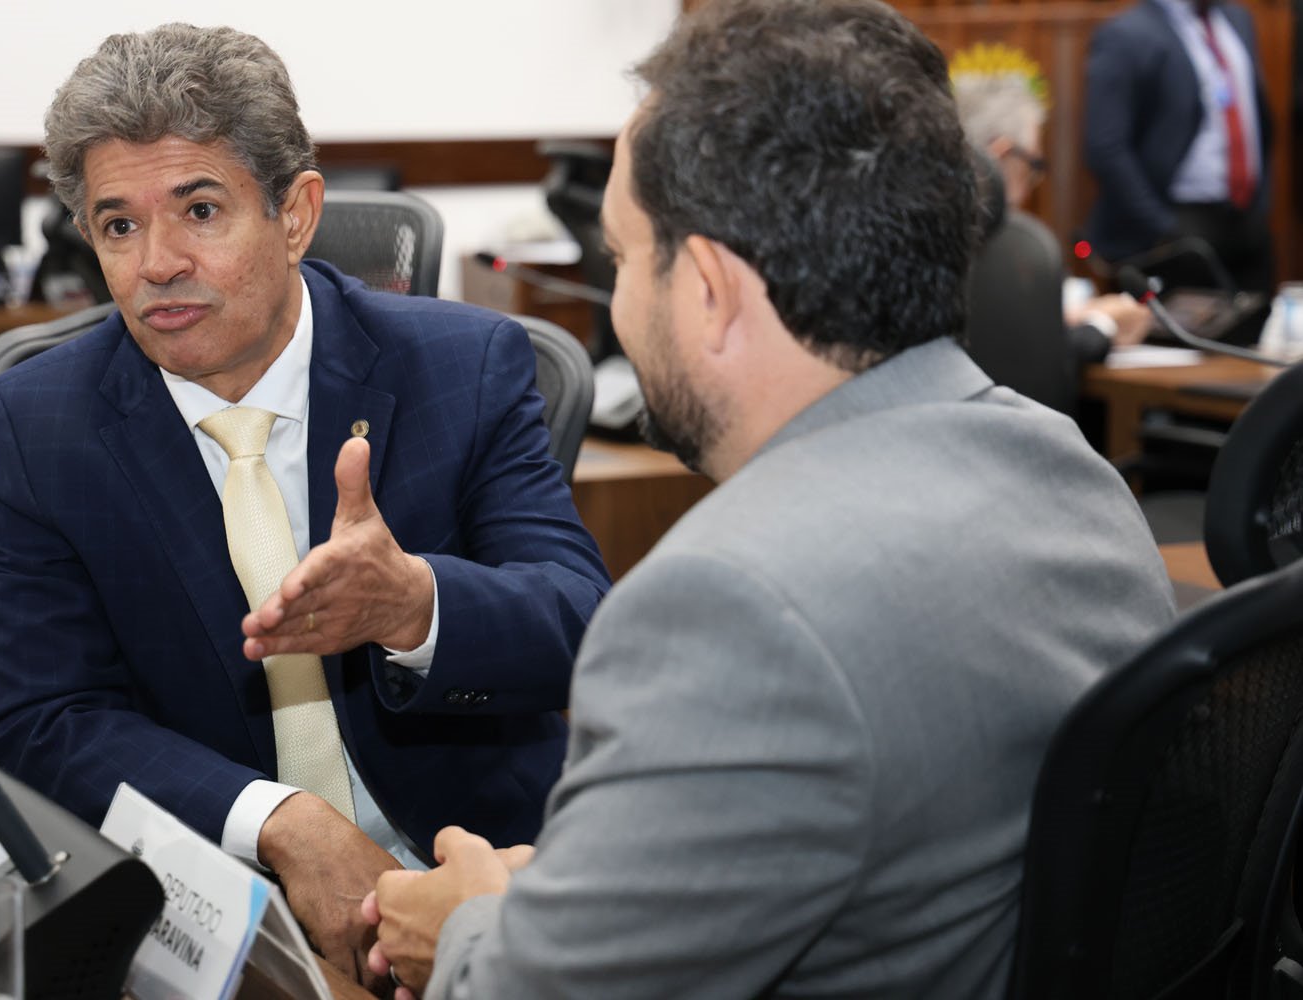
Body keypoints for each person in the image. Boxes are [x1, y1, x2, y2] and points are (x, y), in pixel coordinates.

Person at [364, 1, 1177, 996]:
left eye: (622, 258)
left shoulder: (728, 605)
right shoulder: (1072, 473)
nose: (621, 302)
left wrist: (463, 924)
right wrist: (590, 881)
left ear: (708, 289)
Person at [0, 22, 610, 989]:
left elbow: (581, 622)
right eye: (119, 226)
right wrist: (280, 822)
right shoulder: (40, 418)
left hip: (478, 882)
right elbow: (39, 718)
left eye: (199, 210)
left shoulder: (462, 366)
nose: (158, 263)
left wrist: (416, 606)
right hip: (222, 903)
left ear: (297, 214)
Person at [951, 43, 1151, 364]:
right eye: (1033, 166)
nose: (1033, 185)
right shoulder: (1000, 247)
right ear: (1002, 155)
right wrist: (1101, 324)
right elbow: (1025, 353)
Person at [1084, 0, 1273, 292]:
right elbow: (1105, 146)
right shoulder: (1125, 33)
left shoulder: (1238, 19)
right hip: (1176, 227)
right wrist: (1164, 229)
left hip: (1247, 221)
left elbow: (1259, 119)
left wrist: (1260, 204)